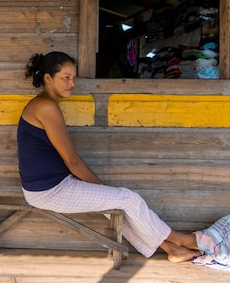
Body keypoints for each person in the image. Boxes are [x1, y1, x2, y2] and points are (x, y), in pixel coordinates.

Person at [17, 51, 200, 263]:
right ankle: (181, 239)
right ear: (48, 78)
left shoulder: (44, 104)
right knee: (128, 199)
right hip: (48, 190)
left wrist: (103, 191)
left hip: (50, 185)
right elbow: (72, 161)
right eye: (65, 78)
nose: (72, 83)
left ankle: (172, 249)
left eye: (73, 78)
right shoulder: (46, 107)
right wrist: (102, 187)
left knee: (115, 205)